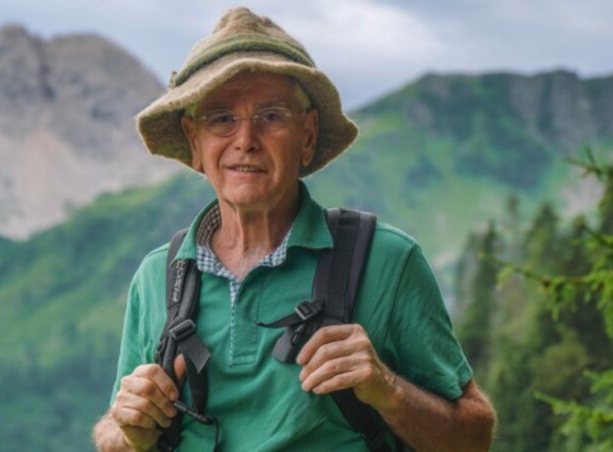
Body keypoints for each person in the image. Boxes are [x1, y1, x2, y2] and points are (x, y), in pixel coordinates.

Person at [93, 7, 495, 451]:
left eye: (271, 116)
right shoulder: (159, 277)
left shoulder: (388, 261)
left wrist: (387, 389)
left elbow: (474, 436)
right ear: (194, 142)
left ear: (307, 136)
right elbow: (112, 431)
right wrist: (129, 431)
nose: (245, 139)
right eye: (221, 118)